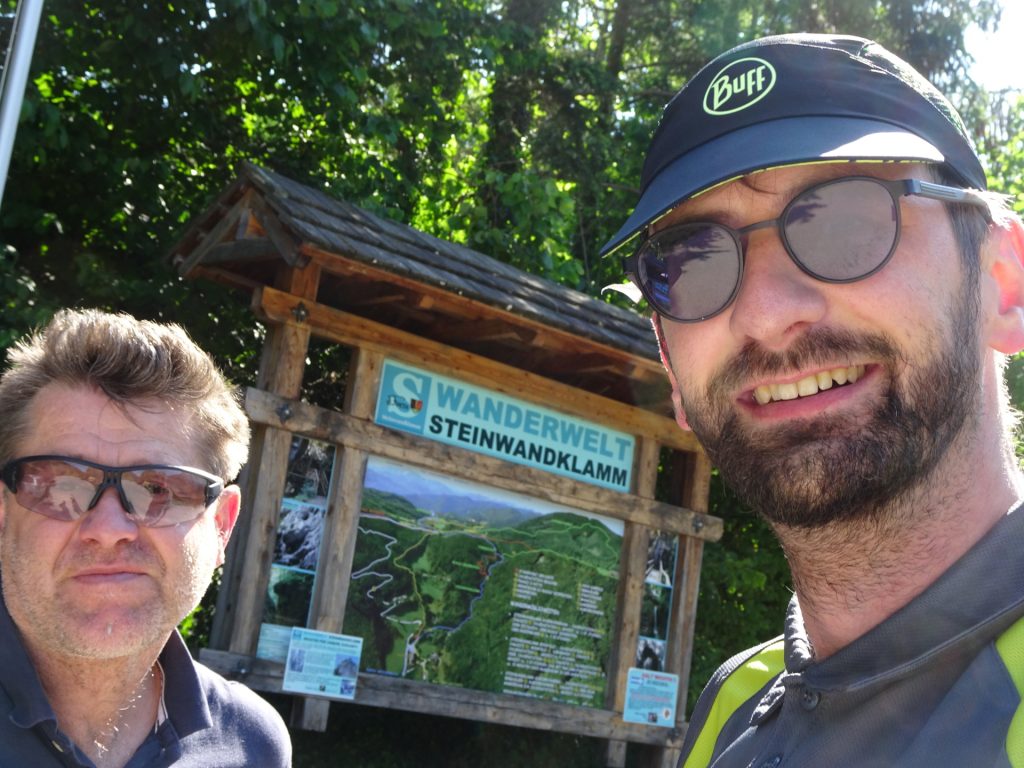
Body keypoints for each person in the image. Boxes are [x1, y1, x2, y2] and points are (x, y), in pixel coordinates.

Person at [600, 33, 1024, 767]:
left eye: (844, 220)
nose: (765, 316)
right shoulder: (728, 716)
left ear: (1004, 284)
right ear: (670, 361)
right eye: (691, 265)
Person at [0, 309, 292, 767]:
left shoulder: (253, 745)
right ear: (2, 511)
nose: (109, 529)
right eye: (62, 485)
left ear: (222, 527)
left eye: (158, 489)